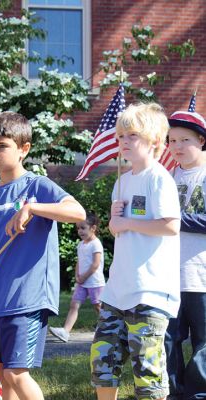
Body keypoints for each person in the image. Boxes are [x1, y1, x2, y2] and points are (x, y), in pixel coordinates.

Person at [0, 111, 86, 400]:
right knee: (5, 374)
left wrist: (32, 208)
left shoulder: (37, 186)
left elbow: (77, 212)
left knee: (16, 373)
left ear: (24, 149)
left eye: (2, 146)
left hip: (28, 297)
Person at [90, 102, 181, 400]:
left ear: (154, 141)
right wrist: (116, 222)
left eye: (132, 135)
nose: (123, 142)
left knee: (148, 375)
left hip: (150, 292)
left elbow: (170, 225)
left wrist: (126, 221)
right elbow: (118, 230)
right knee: (102, 364)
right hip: (117, 291)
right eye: (120, 136)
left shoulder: (159, 178)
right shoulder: (122, 180)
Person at [165, 110, 206, 400]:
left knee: (204, 343)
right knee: (169, 339)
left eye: (185, 140)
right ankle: (173, 392)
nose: (177, 147)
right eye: (172, 140)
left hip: (202, 275)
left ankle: (198, 393)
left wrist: (171, 219)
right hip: (168, 275)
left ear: (201, 140)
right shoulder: (166, 177)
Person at [49, 212, 105, 342]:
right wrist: (77, 276)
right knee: (74, 305)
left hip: (95, 283)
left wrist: (84, 277)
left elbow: (95, 264)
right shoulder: (81, 244)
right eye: (78, 228)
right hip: (82, 282)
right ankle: (65, 331)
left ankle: (109, 328)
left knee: (98, 306)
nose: (80, 231)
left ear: (93, 228)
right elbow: (79, 262)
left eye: (83, 228)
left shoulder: (96, 244)